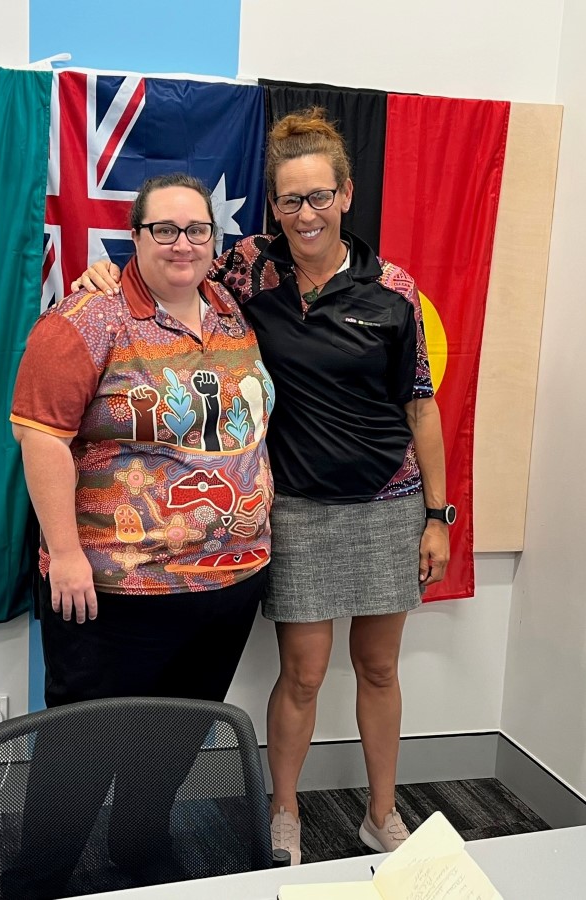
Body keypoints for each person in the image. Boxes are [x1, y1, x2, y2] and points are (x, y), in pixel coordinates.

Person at [73, 109, 451, 866]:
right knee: (304, 674)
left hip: (388, 502)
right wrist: (105, 274)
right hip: (298, 509)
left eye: (318, 197)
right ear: (272, 205)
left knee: (379, 667)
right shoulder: (246, 267)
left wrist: (438, 514)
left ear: (345, 195)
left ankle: (382, 814)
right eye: (289, 200)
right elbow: (166, 270)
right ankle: (285, 813)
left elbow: (420, 402)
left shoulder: (394, 288)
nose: (304, 214)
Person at [7, 172, 274, 895]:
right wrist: (64, 554)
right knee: (81, 751)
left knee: (173, 737)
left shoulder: (229, 305)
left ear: (217, 243)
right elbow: (39, 439)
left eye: (197, 231)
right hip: (114, 588)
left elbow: (315, 240)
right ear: (136, 236)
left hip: (229, 581)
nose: (182, 244)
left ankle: (138, 843)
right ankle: (38, 878)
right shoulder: (88, 318)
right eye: (165, 230)